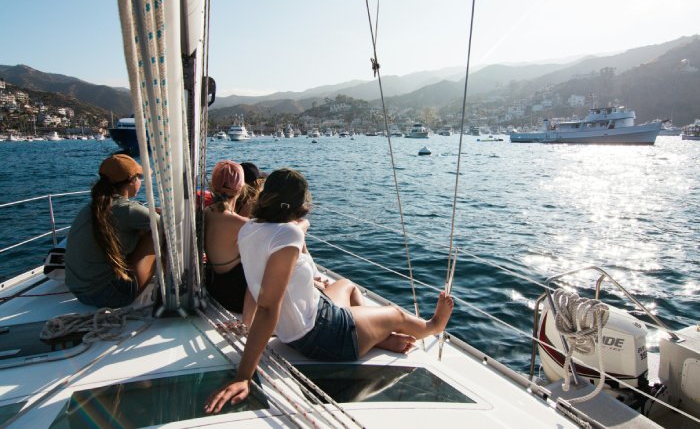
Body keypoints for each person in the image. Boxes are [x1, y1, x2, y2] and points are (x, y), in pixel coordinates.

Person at [205, 168, 454, 413]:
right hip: (326, 334)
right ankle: (432, 326)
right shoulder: (288, 235)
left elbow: (257, 283)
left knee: (347, 285)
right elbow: (269, 307)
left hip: (297, 329)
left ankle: (377, 336)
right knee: (396, 314)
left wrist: (302, 229)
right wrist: (244, 376)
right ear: (296, 204)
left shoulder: (250, 229)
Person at [65, 154, 158, 308]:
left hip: (80, 293)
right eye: (139, 177)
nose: (140, 181)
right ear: (132, 181)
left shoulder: (92, 207)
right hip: (112, 296)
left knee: (143, 229)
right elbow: (166, 226)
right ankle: (175, 284)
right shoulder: (127, 210)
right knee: (156, 232)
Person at [204, 160, 255, 324]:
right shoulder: (240, 223)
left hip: (214, 288)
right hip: (235, 297)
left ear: (213, 186)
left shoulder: (205, 213)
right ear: (241, 189)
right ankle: (248, 322)